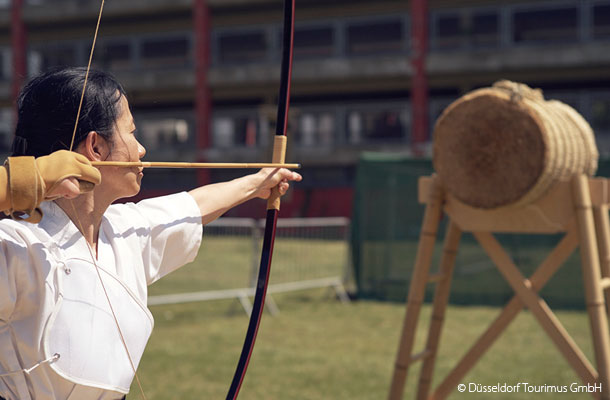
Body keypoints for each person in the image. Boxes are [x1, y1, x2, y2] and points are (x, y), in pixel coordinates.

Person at [0, 67, 302, 400]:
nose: (141, 149)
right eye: (131, 133)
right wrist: (15, 184)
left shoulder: (124, 231)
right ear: (95, 148)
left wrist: (258, 183)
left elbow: (193, 206)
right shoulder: (18, 245)